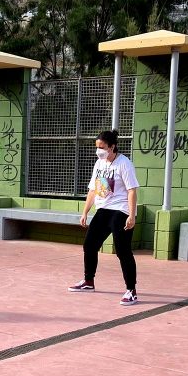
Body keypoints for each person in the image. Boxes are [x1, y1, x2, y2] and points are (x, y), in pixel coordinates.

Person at [68, 130, 140, 305]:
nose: (98, 150)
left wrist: (131, 215)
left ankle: (131, 290)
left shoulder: (124, 164)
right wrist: (85, 212)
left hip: (121, 210)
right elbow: (93, 189)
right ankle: (88, 282)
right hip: (104, 209)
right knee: (89, 245)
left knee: (123, 251)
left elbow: (132, 190)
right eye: (97, 147)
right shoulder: (99, 163)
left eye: (102, 147)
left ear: (112, 147)